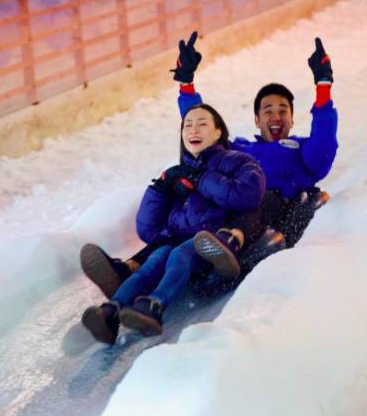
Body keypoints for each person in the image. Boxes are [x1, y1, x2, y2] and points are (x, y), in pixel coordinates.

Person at [80, 31, 338, 298]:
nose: (276, 115)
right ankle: (129, 268)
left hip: (263, 206)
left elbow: (324, 145)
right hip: (220, 206)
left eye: (283, 110)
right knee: (186, 213)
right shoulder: (239, 148)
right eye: (268, 110)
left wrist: (323, 87)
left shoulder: (300, 151)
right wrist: (186, 85)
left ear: (292, 120)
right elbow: (202, 133)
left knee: (256, 200)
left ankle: (220, 250)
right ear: (256, 120)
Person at [82, 103, 265, 344]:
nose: (193, 130)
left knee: (180, 255)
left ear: (218, 132)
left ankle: (155, 305)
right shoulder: (178, 170)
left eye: (202, 124)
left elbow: (250, 194)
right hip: (175, 236)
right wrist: (160, 189)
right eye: (187, 125)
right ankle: (111, 312)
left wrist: (201, 179)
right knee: (155, 261)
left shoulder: (238, 161)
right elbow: (148, 229)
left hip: (209, 238)